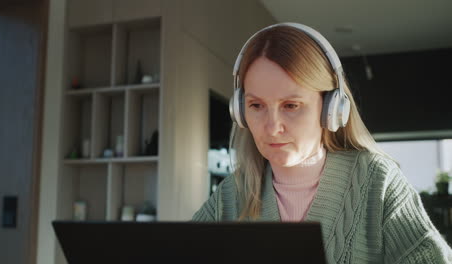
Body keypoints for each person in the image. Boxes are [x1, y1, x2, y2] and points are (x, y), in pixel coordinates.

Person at [191, 23, 452, 263]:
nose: (272, 127)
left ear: (331, 108)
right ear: (240, 111)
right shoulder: (230, 194)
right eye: (256, 105)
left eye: (291, 105)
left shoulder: (378, 181)